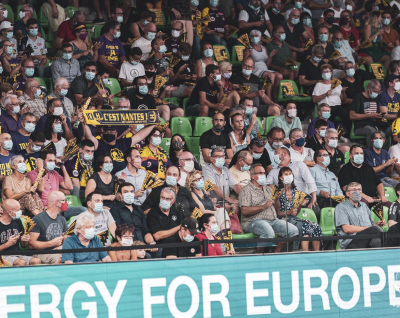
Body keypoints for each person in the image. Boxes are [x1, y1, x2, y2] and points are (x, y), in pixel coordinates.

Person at [239, 163, 299, 253]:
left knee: (293, 231)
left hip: (273, 220)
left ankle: (276, 251)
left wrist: (277, 199)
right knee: (268, 232)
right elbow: (244, 211)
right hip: (254, 221)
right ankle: (259, 256)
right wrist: (263, 207)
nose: (263, 175)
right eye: (260, 173)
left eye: (264, 173)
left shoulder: (268, 189)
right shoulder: (246, 190)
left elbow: (276, 208)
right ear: (252, 176)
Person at [274, 167, 322, 251]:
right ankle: (304, 253)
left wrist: (300, 205)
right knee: (305, 226)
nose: (289, 176)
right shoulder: (277, 192)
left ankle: (317, 254)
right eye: (286, 174)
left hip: (294, 218)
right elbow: (276, 214)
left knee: (315, 225)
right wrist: (288, 212)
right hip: (282, 220)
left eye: (290, 173)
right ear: (281, 178)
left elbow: (295, 213)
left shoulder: (296, 192)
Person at [82, 121, 155, 174]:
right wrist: (83, 123)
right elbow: (89, 136)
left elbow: (140, 136)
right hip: (104, 178)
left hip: (125, 177)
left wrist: (153, 123)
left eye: (111, 132)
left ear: (116, 134)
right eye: (106, 132)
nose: (109, 133)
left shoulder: (123, 142)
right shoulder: (98, 143)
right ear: (102, 134)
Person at [335, 182, 385, 249]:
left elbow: (372, 225)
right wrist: (369, 229)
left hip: (368, 238)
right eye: (354, 190)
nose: (357, 192)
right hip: (351, 241)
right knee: (377, 232)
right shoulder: (341, 207)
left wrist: (377, 224)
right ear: (347, 193)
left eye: (359, 190)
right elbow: (346, 229)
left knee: (377, 241)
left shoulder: (364, 205)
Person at [267, 147, 318, 212]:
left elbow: (310, 181)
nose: (274, 154)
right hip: (283, 200)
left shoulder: (299, 164)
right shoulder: (273, 171)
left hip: (302, 197)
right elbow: (267, 186)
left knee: (316, 211)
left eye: (276, 153)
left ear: (284, 154)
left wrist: (313, 197)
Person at [28, 191, 69, 265]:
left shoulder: (62, 218)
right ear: (57, 203)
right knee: (60, 260)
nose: (66, 203)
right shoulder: (37, 219)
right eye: (63, 200)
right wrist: (51, 243)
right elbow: (31, 244)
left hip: (58, 251)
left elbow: (66, 237)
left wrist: (63, 246)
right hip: (42, 252)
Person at [110, 183, 157, 247]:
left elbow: (145, 230)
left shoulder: (139, 210)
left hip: (142, 244)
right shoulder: (115, 210)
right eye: (126, 192)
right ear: (120, 195)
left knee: (159, 251)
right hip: (127, 245)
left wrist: (151, 242)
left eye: (131, 192)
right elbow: (118, 232)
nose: (129, 194)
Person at [350, 79, 391, 149]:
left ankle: (383, 153)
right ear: (369, 88)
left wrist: (379, 115)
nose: (377, 94)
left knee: (387, 131)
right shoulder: (359, 97)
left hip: (376, 124)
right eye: (375, 91)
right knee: (373, 133)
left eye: (378, 92)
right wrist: (368, 115)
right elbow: (351, 115)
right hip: (361, 126)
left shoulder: (377, 98)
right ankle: (371, 153)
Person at [0, 200, 42, 266]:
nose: (20, 212)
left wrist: (25, 240)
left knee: (36, 261)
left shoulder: (17, 221)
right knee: (21, 262)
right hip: (3, 255)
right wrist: (7, 244)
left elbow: (24, 245)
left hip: (17, 254)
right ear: (10, 212)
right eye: (18, 209)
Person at [202, 147, 241, 213]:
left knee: (241, 205)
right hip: (214, 203)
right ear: (211, 159)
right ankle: (230, 222)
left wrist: (244, 195)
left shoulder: (225, 169)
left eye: (222, 156)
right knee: (233, 208)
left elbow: (235, 185)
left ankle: (232, 222)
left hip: (226, 202)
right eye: (217, 156)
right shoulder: (206, 169)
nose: (220, 158)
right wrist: (229, 199)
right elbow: (213, 187)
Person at [312, 64, 350, 133]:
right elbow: (314, 100)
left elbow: (343, 99)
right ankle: (332, 133)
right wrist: (325, 94)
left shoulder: (337, 84)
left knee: (347, 115)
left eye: (327, 71)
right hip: (326, 107)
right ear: (321, 74)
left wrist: (343, 92)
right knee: (331, 115)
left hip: (338, 106)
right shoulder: (319, 85)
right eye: (324, 72)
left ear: (331, 73)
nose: (326, 73)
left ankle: (345, 134)